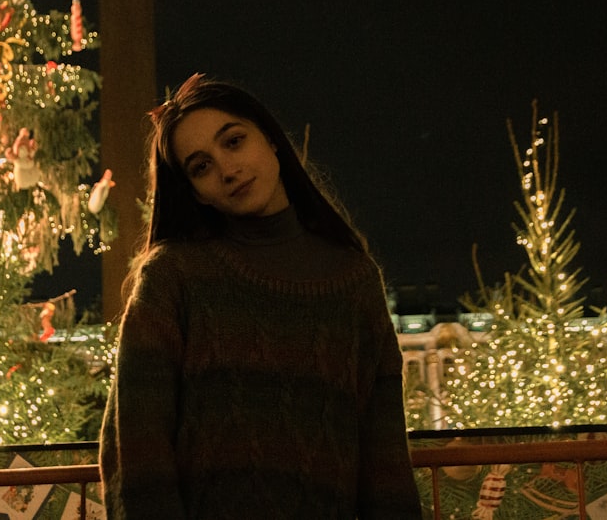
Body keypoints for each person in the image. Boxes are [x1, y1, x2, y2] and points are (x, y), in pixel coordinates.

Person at [98, 73, 422, 519]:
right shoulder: (174, 276)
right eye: (201, 167)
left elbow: (385, 458)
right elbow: (136, 450)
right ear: (195, 193)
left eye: (233, 142)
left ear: (270, 139)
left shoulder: (353, 280)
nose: (227, 170)